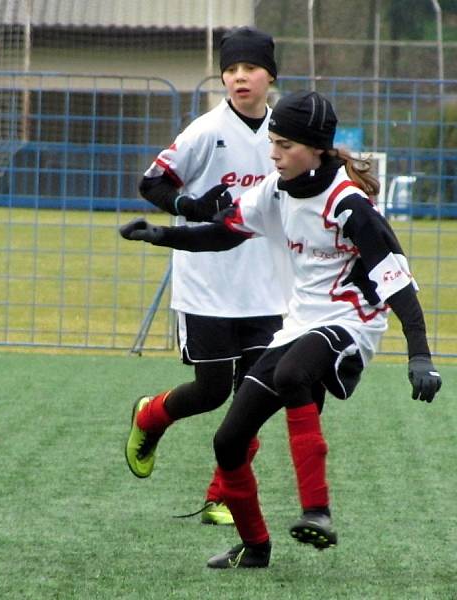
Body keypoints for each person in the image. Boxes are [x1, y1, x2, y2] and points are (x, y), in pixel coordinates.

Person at [120, 90, 442, 568]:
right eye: (272, 142)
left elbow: (398, 284)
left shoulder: (349, 205)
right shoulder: (276, 188)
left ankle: (318, 512)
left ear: (316, 148)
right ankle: (255, 547)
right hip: (299, 324)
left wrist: (420, 355)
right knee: (227, 441)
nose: (274, 153)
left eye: (285, 145)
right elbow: (225, 232)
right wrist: (164, 236)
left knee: (293, 375)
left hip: (350, 324)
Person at [125, 26, 291, 526]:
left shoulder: (285, 132)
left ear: (270, 76)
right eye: (231, 69)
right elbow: (150, 183)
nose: (240, 77)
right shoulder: (205, 130)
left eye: (251, 68)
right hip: (208, 287)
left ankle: (223, 493)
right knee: (213, 391)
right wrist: (190, 205)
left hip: (269, 289)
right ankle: (150, 416)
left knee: (258, 399)